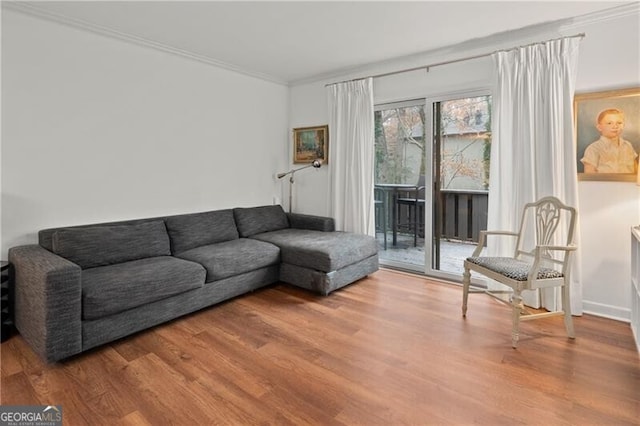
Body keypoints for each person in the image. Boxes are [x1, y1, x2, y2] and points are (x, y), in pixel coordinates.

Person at [581, 108, 637, 173]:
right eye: (609, 123)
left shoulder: (628, 146)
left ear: (623, 125)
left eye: (619, 123)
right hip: (604, 183)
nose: (615, 126)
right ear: (599, 127)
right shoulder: (593, 149)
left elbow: (636, 171)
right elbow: (589, 176)